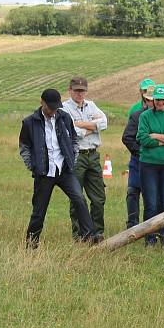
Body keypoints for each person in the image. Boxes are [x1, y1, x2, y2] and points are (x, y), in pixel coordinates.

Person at [19, 89, 96, 248]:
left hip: (65, 170)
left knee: (79, 200)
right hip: (43, 173)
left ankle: (90, 238)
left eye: (56, 107)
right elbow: (24, 147)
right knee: (39, 211)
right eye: (50, 107)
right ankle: (31, 245)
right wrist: (32, 166)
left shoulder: (64, 117)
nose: (53, 110)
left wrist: (72, 159)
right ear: (42, 103)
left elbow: (74, 139)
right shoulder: (29, 122)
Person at [136, 84, 164, 247]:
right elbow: (143, 139)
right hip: (148, 164)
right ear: (153, 100)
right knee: (151, 202)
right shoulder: (145, 116)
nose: (160, 102)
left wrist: (155, 135)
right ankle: (150, 238)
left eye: (163, 99)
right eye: (157, 100)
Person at [63, 77, 107, 243]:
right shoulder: (65, 109)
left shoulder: (92, 105)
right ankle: (79, 234)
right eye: (76, 90)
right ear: (70, 90)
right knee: (76, 197)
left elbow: (104, 123)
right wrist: (92, 126)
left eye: (82, 90)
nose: (79, 93)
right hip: (76, 156)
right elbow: (72, 132)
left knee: (98, 197)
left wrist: (82, 124)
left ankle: (97, 233)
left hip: (93, 155)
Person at [122, 78, 155, 228]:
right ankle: (132, 224)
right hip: (138, 159)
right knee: (133, 191)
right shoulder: (135, 112)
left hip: (156, 161)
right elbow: (128, 136)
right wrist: (139, 151)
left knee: (152, 194)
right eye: (145, 93)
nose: (150, 101)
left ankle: (151, 225)